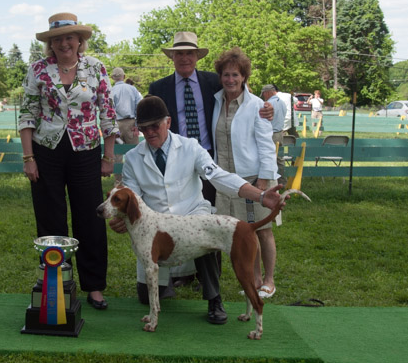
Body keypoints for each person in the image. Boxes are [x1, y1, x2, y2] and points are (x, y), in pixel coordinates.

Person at [108, 95, 284, 324]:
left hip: (192, 214)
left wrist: (260, 196)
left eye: (155, 126)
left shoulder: (190, 146)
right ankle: (168, 282)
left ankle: (214, 298)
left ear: (168, 122)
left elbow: (219, 176)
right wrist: (121, 217)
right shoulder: (133, 158)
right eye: (144, 128)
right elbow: (132, 198)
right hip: (158, 227)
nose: (150, 132)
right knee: (145, 297)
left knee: (207, 229)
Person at [148, 31, 274, 288]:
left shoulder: (211, 83)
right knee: (175, 218)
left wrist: (268, 108)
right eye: (179, 53)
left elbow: (240, 90)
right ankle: (177, 274)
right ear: (172, 57)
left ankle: (210, 283)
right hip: (174, 164)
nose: (184, 58)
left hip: (207, 163)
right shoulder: (158, 88)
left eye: (189, 53)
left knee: (210, 223)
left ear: (197, 56)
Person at [18, 12, 119, 310]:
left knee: (90, 217)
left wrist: (108, 156)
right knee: (50, 216)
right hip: (45, 151)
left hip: (86, 150)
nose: (65, 43)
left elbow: (108, 113)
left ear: (80, 40)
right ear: (51, 43)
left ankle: (95, 286)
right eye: (58, 39)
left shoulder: (96, 67)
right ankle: (57, 284)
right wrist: (29, 158)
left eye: (70, 37)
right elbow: (27, 115)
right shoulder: (37, 69)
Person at [211, 48, 280, 299]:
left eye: (236, 75)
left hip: (255, 178)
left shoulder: (257, 106)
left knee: (263, 230)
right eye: (226, 75)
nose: (230, 80)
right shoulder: (217, 101)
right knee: (243, 231)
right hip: (229, 181)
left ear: (244, 77)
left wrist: (264, 178)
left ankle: (269, 280)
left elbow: (265, 144)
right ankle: (255, 279)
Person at [111, 67, 142, 181]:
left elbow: (109, 110)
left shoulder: (111, 90)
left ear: (112, 78)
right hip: (131, 123)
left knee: (117, 154)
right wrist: (137, 126)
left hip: (116, 124)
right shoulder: (132, 89)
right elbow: (139, 106)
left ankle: (118, 182)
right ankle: (134, 180)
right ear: (124, 76)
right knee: (134, 153)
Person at [261, 84, 287, 186]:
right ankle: (282, 182)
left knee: (269, 158)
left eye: (263, 94)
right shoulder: (282, 103)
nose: (263, 96)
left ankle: (271, 182)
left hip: (271, 134)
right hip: (280, 133)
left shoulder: (268, 104)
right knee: (280, 159)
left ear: (267, 92)